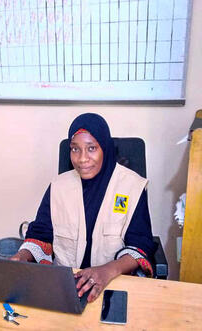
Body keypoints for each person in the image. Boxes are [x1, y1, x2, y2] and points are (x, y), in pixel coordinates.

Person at [12, 113, 156, 302]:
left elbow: (139, 245)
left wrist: (106, 271)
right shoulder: (58, 186)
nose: (82, 159)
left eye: (91, 148)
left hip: (113, 286)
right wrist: (22, 256)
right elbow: (40, 234)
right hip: (66, 287)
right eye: (75, 149)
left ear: (104, 148)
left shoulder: (131, 187)